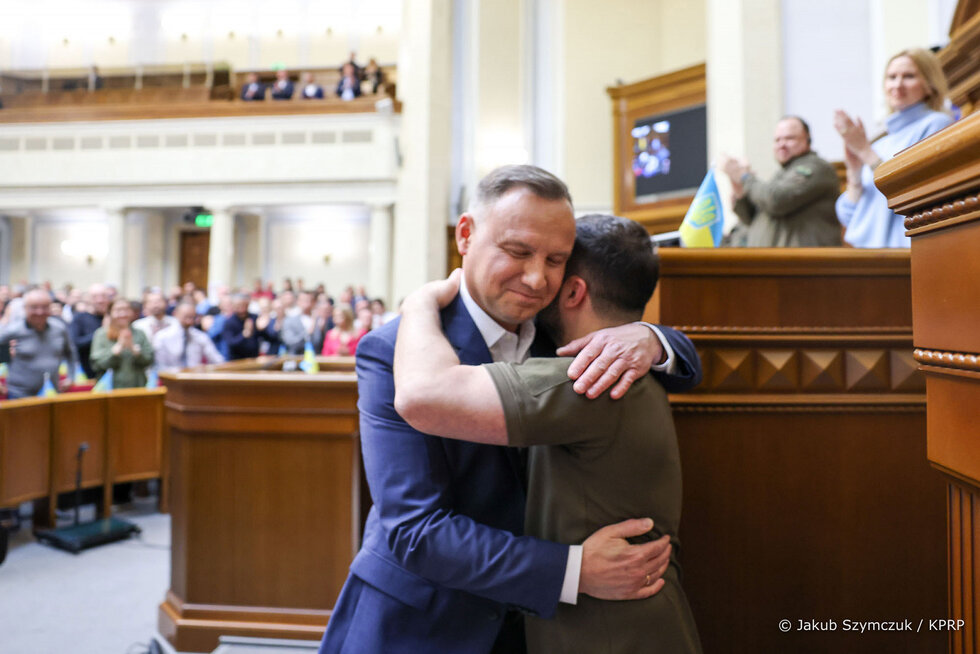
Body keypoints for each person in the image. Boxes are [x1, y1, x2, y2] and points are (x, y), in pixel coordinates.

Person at [318, 165, 701, 654]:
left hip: (535, 630)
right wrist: (571, 570)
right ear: (466, 234)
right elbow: (414, 531)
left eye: (556, 259)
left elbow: (686, 363)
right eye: (518, 252)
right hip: (423, 623)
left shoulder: (562, 335)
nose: (537, 277)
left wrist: (652, 337)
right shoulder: (393, 349)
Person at [833, 48, 953, 247]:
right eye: (891, 77)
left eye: (908, 76)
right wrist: (854, 173)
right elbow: (848, 216)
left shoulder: (937, 124)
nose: (897, 85)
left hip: (904, 255)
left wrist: (865, 153)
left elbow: (916, 192)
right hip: (864, 258)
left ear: (930, 85)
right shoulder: (881, 142)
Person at [720, 117, 841, 247]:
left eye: (789, 138)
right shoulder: (782, 174)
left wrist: (745, 177)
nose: (781, 144)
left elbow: (776, 200)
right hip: (774, 263)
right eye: (777, 140)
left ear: (807, 140)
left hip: (803, 263)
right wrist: (738, 186)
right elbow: (752, 219)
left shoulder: (816, 167)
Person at [0, 289, 78, 398]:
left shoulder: (59, 328)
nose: (40, 312)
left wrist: (71, 377)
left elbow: (71, 354)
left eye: (45, 307)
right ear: (25, 308)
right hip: (19, 395)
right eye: (34, 307)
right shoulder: (12, 330)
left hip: (52, 393)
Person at [90, 298, 154, 388]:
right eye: (118, 310)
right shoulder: (101, 334)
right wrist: (117, 349)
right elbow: (97, 365)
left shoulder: (139, 333)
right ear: (110, 312)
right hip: (110, 390)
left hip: (138, 388)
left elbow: (149, 359)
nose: (123, 314)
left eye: (126, 309)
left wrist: (134, 350)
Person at [152, 302, 224, 372]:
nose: (189, 321)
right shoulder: (162, 337)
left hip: (195, 379)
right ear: (175, 314)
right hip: (170, 380)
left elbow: (217, 360)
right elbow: (160, 367)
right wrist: (181, 371)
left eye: (192, 318)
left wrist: (206, 368)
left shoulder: (200, 337)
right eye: (186, 317)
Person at [68, 283, 110, 379]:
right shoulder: (80, 318)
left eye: (104, 296)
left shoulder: (113, 318)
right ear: (88, 299)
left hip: (110, 373)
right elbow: (75, 344)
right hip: (88, 374)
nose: (100, 300)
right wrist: (101, 332)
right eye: (95, 297)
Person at [221, 294, 270, 360]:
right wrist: (244, 334)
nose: (242, 309)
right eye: (239, 306)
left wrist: (262, 329)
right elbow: (230, 343)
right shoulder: (229, 322)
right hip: (237, 361)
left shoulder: (254, 318)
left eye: (244, 305)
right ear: (234, 306)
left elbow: (265, 338)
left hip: (254, 358)